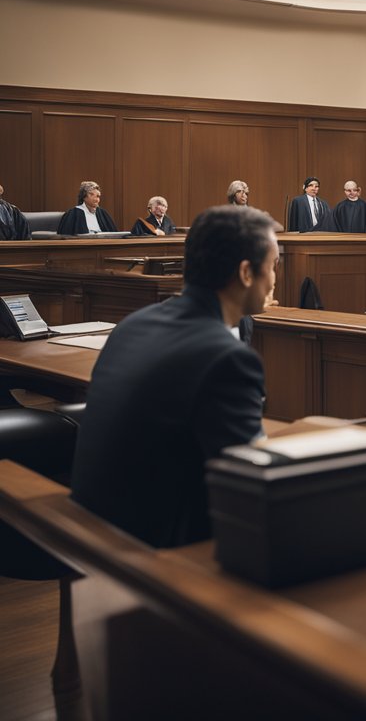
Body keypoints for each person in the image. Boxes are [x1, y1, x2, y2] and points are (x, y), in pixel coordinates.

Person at [71, 205, 278, 548]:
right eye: (273, 266)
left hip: (96, 534)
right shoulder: (227, 358)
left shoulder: (133, 324)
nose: (274, 279)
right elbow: (253, 482)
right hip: (159, 554)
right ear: (246, 272)